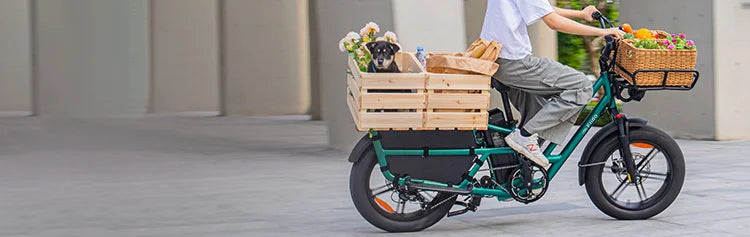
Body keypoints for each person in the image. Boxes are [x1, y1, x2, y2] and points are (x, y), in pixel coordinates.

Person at [480, 0, 625, 167]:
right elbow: (553, 22)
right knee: (582, 86)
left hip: (501, 60)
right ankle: (524, 136)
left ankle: (518, 174)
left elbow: (542, 9)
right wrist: (602, 32)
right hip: (515, 62)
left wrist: (581, 14)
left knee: (540, 114)